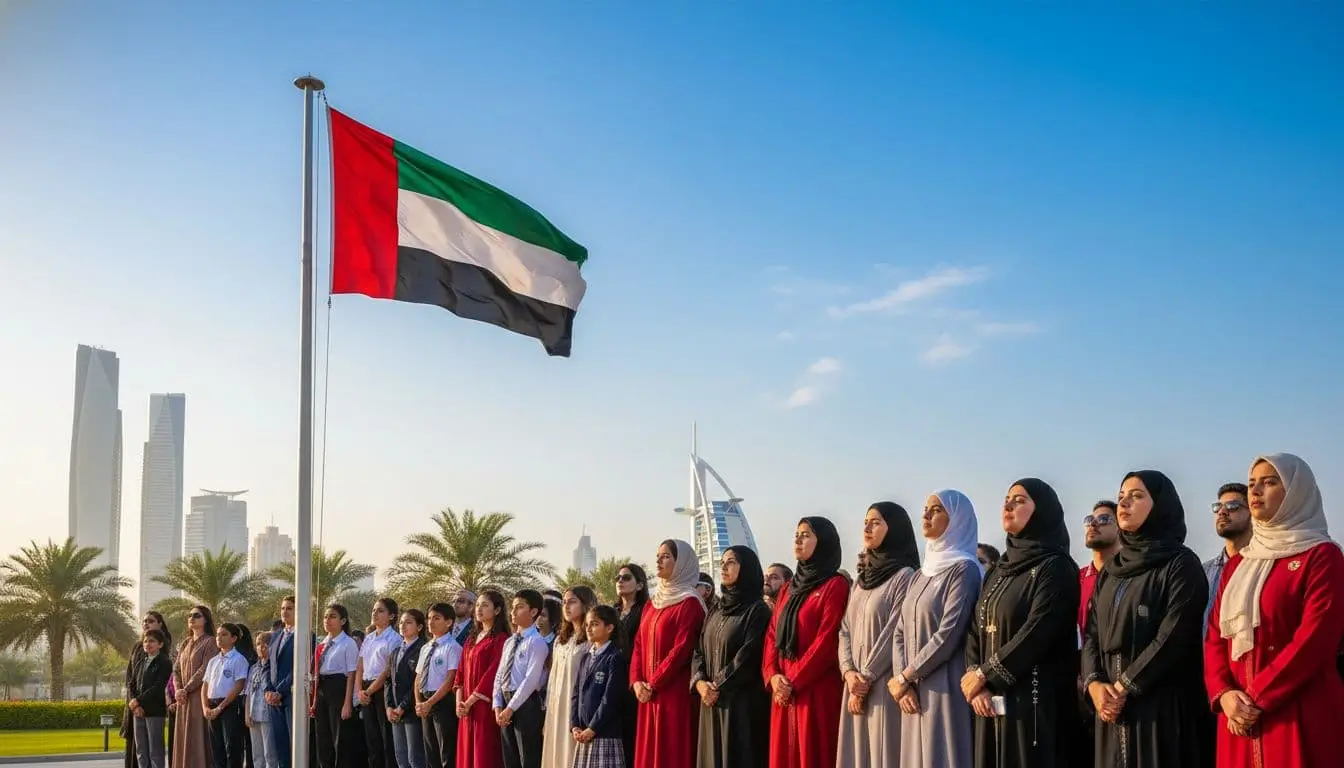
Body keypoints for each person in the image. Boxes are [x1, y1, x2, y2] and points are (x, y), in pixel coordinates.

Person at [1205, 453, 1344, 767]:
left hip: (1298, 710)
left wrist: (1257, 697)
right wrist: (1224, 693)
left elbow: (1315, 639)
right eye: (1252, 483)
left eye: (1268, 483)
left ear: (1296, 492)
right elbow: (1214, 636)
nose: (1255, 491)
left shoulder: (1321, 556)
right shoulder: (1239, 564)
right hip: (1236, 718)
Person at [1083, 470, 1213, 768]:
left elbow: (1174, 634)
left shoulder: (1180, 563)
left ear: (1160, 506)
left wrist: (1125, 686)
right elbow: (1092, 634)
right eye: (1121, 497)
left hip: (1161, 708)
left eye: (1137, 496)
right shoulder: (1112, 570)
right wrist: (1094, 684)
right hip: (1110, 708)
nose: (1124, 503)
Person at [965, 478, 1080, 768]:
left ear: (1042, 510)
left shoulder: (1055, 567)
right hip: (989, 701)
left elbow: (1038, 630)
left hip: (1034, 703)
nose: (1008, 505)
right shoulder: (999, 570)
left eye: (1020, 500)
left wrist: (985, 675)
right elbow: (976, 627)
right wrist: (976, 680)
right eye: (1007, 499)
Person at [891, 489, 983, 768]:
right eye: (925, 509)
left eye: (937, 509)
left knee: (942, 755)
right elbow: (899, 631)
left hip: (945, 685)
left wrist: (906, 675)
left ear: (957, 519)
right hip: (911, 690)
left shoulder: (964, 570)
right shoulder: (921, 574)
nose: (926, 515)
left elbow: (949, 633)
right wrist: (903, 683)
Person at [763, 516, 849, 768]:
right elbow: (772, 635)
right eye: (796, 535)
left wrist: (793, 680)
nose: (798, 540)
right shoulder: (788, 589)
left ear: (823, 542)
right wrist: (773, 676)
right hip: (783, 691)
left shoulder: (835, 585)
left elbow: (827, 639)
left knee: (813, 754)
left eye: (806, 535)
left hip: (815, 690)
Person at [838, 502, 920, 766]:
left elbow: (894, 630)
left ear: (894, 529)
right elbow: (845, 630)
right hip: (854, 685)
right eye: (866, 522)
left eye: (876, 522)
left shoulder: (904, 576)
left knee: (882, 754)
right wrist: (849, 673)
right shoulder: (861, 581)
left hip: (882, 683)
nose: (867, 528)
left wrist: (866, 678)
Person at [630, 539, 707, 768]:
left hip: (673, 692)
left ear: (681, 562)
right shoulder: (652, 604)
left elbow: (683, 648)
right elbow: (638, 644)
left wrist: (654, 683)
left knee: (671, 753)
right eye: (658, 556)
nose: (658, 561)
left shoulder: (690, 603)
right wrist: (637, 682)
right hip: (647, 694)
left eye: (665, 556)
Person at [692, 545, 770, 768]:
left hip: (740, 704)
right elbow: (698, 650)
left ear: (747, 568)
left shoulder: (757, 610)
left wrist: (715, 685)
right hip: (711, 701)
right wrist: (700, 683)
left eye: (731, 562)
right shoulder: (716, 609)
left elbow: (748, 656)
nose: (724, 567)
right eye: (722, 563)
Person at [493, 589, 551, 768]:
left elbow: (531, 680)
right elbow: (500, 674)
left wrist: (510, 708)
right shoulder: (509, 642)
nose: (513, 611)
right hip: (506, 702)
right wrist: (497, 704)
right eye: (513, 607)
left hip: (526, 703)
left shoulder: (537, 642)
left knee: (527, 757)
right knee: (510, 757)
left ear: (533, 612)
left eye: (519, 607)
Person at [541, 586, 597, 768]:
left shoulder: (590, 640)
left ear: (585, 604)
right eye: (564, 602)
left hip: (577, 706)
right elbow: (552, 678)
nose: (566, 606)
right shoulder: (560, 639)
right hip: (556, 705)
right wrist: (547, 708)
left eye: (572, 602)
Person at [456, 590, 508, 768]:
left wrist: (471, 701)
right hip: (465, 708)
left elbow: (493, 673)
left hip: (484, 707)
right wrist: (459, 703)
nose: (479, 609)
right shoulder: (470, 640)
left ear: (497, 610)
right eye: (477, 605)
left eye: (485, 605)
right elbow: (460, 673)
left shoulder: (501, 639)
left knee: (483, 754)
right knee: (466, 754)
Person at [571, 605, 628, 768]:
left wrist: (593, 728)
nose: (589, 628)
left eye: (595, 624)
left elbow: (611, 698)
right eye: (587, 624)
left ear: (609, 628)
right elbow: (576, 693)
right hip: (583, 733)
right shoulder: (586, 658)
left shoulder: (614, 658)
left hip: (604, 734)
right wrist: (575, 725)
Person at [416, 602, 463, 768]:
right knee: (431, 752)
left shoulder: (453, 647)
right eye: (429, 618)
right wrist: (419, 702)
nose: (431, 622)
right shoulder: (426, 647)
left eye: (436, 618)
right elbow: (418, 677)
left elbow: (450, 679)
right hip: (425, 702)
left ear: (449, 622)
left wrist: (430, 702)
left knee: (446, 751)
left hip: (442, 702)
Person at [312, 603, 359, 768]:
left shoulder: (348, 643)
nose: (327, 620)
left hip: (339, 689)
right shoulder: (322, 644)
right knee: (323, 737)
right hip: (322, 689)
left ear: (343, 621)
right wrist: (314, 700)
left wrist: (347, 703)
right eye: (325, 617)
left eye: (332, 617)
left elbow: (351, 674)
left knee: (339, 738)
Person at [173, 605, 219, 768]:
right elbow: (176, 669)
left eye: (196, 615)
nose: (191, 618)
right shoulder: (185, 643)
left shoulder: (211, 642)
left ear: (206, 619)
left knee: (198, 737)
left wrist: (186, 689)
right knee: (183, 737)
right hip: (183, 699)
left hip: (199, 697)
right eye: (189, 615)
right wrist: (178, 689)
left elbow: (205, 669)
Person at [358, 598, 402, 768]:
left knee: (386, 739)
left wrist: (369, 691)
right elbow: (360, 666)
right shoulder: (369, 638)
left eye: (380, 611)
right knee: (372, 739)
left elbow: (387, 670)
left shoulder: (394, 638)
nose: (375, 613)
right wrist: (359, 691)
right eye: (374, 610)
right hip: (365, 689)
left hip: (382, 689)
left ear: (391, 616)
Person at [612, 563, 648, 766]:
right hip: (609, 679)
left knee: (630, 738)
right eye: (618, 578)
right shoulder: (612, 612)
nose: (620, 581)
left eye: (626, 578)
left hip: (632, 682)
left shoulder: (645, 611)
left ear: (640, 585)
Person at [124, 613, 170, 768]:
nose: (148, 644)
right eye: (145, 641)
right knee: (141, 750)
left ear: (160, 644)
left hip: (154, 711)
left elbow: (158, 686)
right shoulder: (141, 662)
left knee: (155, 752)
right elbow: (131, 683)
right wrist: (134, 703)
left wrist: (138, 700)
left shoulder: (164, 662)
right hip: (137, 711)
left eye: (152, 641)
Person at [202, 623, 250, 768]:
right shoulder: (213, 661)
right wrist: (205, 707)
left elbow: (239, 685)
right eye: (218, 634)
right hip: (212, 705)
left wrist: (221, 707)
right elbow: (205, 685)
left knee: (232, 747)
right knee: (217, 748)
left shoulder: (238, 659)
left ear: (234, 638)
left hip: (230, 705)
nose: (219, 638)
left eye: (224, 635)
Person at [1204, 483, 1252, 627]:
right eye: (1217, 507)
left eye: (1232, 506)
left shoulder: (1265, 565)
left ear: (1252, 513)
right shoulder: (1204, 571)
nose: (1222, 512)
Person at [387, 609, 428, 768]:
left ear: (419, 627)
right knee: (401, 757)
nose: (403, 625)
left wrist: (403, 706)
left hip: (411, 711)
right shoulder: (396, 650)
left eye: (409, 622)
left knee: (415, 758)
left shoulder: (423, 648)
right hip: (395, 711)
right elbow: (389, 680)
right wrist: (389, 705)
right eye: (402, 622)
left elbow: (416, 683)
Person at [264, 595, 300, 768]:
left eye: (290, 608)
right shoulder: (275, 636)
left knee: (295, 746)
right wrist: (268, 690)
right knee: (280, 747)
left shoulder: (305, 635)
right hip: (274, 700)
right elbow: (268, 665)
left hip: (292, 697)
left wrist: (280, 691)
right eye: (283, 608)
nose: (285, 611)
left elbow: (299, 667)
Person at [1079, 501, 1121, 638]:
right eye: (1089, 520)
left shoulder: (1133, 577)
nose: (1093, 524)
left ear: (1120, 527)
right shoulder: (1076, 579)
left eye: (1103, 519)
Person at [245, 632, 277, 768]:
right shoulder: (253, 668)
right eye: (258, 644)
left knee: (269, 753)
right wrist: (247, 714)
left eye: (265, 644)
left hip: (268, 715)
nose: (261, 647)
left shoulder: (274, 667)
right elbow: (248, 692)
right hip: (254, 714)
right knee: (257, 754)